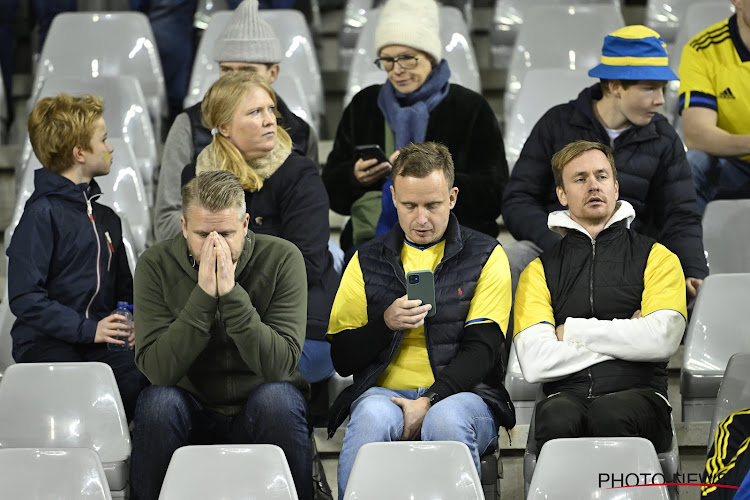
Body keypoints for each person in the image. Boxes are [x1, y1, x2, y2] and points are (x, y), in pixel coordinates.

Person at [327, 142, 515, 498]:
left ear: (453, 197)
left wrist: (428, 400)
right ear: (393, 198)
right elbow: (342, 358)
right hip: (385, 394)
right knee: (369, 418)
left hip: (465, 394)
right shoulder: (365, 259)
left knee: (445, 420)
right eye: (409, 206)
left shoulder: (487, 254)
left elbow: (482, 352)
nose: (421, 219)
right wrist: (385, 324)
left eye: (433, 205)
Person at [131, 170, 311, 500]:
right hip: (190, 407)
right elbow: (158, 371)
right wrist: (202, 295)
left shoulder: (283, 258)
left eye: (226, 233)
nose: (216, 245)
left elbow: (280, 365)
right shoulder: (155, 264)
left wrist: (231, 295)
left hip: (260, 404)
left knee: (278, 399)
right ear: (184, 227)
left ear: (245, 224)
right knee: (156, 404)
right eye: (202, 234)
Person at [502, 25, 707, 299]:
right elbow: (518, 199)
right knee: (512, 260)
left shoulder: (664, 137)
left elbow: (680, 214)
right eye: (649, 89)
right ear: (615, 87)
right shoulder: (557, 123)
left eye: (662, 90)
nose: (660, 101)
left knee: (685, 284)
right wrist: (557, 242)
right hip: (559, 250)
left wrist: (692, 267)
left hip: (630, 258)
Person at [513, 140, 686, 453]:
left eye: (602, 176)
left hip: (642, 395)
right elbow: (536, 363)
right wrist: (630, 338)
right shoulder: (538, 271)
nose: (593, 185)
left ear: (616, 187)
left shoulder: (658, 257)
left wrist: (573, 332)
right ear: (562, 195)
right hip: (566, 396)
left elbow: (662, 340)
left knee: (610, 414)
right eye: (580, 179)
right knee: (556, 417)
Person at [181, 70, 338, 385]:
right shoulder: (196, 174)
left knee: (225, 375)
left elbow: (305, 265)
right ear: (224, 126)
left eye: (270, 110)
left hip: (300, 323)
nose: (270, 120)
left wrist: (227, 278)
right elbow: (193, 257)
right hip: (224, 320)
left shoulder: (299, 173)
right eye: (255, 112)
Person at [6, 94, 149, 421]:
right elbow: (25, 297)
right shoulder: (41, 214)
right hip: (46, 343)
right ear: (79, 153)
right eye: (103, 139)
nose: (110, 147)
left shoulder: (108, 218)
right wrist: (88, 330)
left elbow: (124, 291)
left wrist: (134, 322)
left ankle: (133, 470)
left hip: (98, 342)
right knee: (76, 388)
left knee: (143, 383)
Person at [323, 0, 508, 250]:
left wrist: (431, 182)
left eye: (407, 59)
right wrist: (355, 177)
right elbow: (331, 192)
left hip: (460, 245)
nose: (396, 70)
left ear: (430, 56)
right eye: (387, 60)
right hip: (373, 244)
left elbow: (494, 194)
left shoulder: (470, 108)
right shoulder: (364, 106)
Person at [154, 0, 317, 241]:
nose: (235, 79)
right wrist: (221, 241)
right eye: (226, 70)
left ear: (273, 73)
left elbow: (309, 219)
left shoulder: (300, 132)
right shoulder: (187, 125)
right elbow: (167, 217)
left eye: (246, 70)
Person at [678, 0, 750, 211]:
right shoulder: (703, 50)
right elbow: (697, 135)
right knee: (694, 164)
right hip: (733, 164)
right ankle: (685, 244)